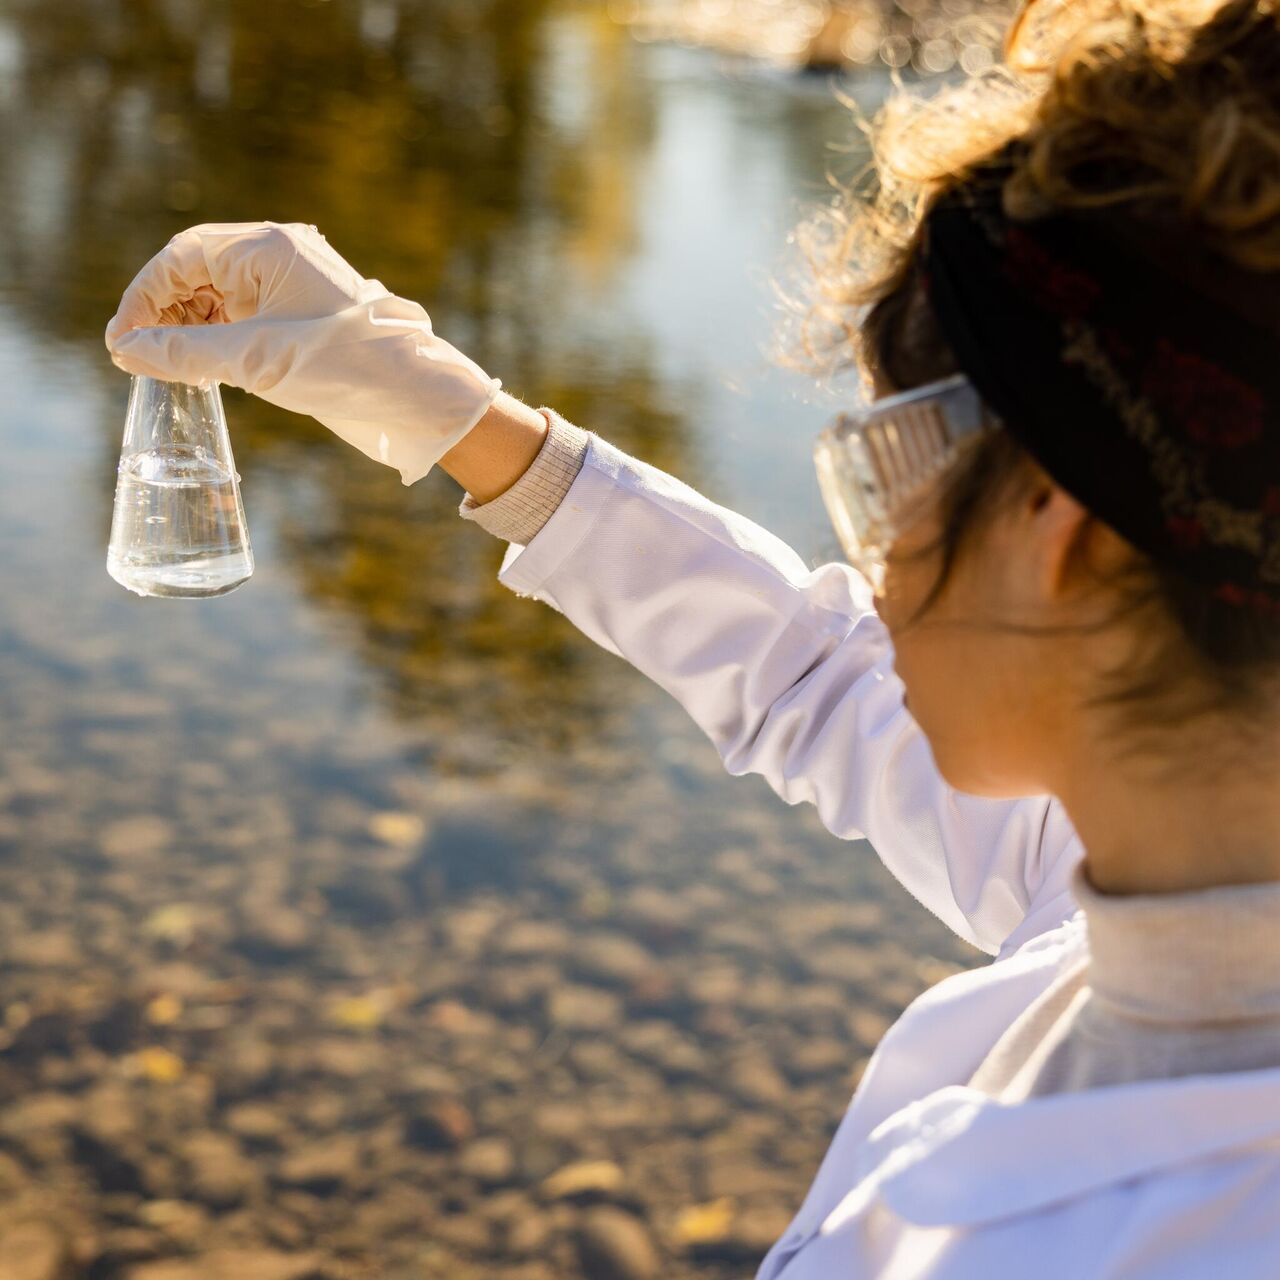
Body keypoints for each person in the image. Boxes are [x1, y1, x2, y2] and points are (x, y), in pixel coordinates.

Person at [104, 0, 1280, 1274]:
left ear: (1063, 524)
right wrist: (438, 404)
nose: (873, 556)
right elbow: (811, 674)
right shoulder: (1175, 856)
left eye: (890, 463)